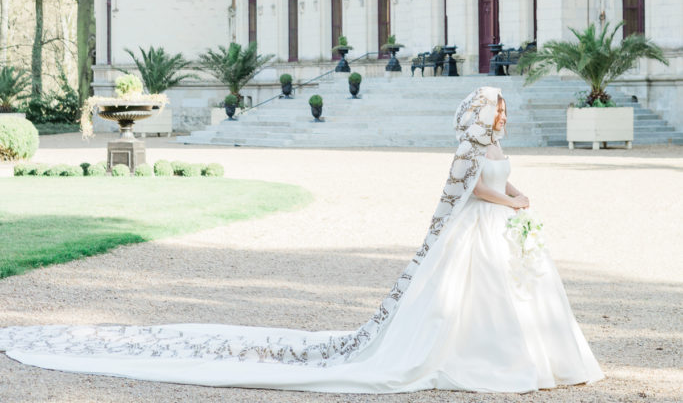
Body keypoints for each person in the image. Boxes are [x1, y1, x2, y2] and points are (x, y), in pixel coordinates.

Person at [0, 85, 603, 392]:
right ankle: (489, 362)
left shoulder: (491, 147)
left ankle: (532, 359)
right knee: (467, 303)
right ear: (481, 115)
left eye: (500, 111)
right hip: (480, 230)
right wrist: (513, 199)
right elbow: (473, 191)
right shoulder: (466, 148)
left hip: (502, 231)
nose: (500, 117)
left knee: (514, 296)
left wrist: (516, 196)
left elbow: (497, 177)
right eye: (495, 110)